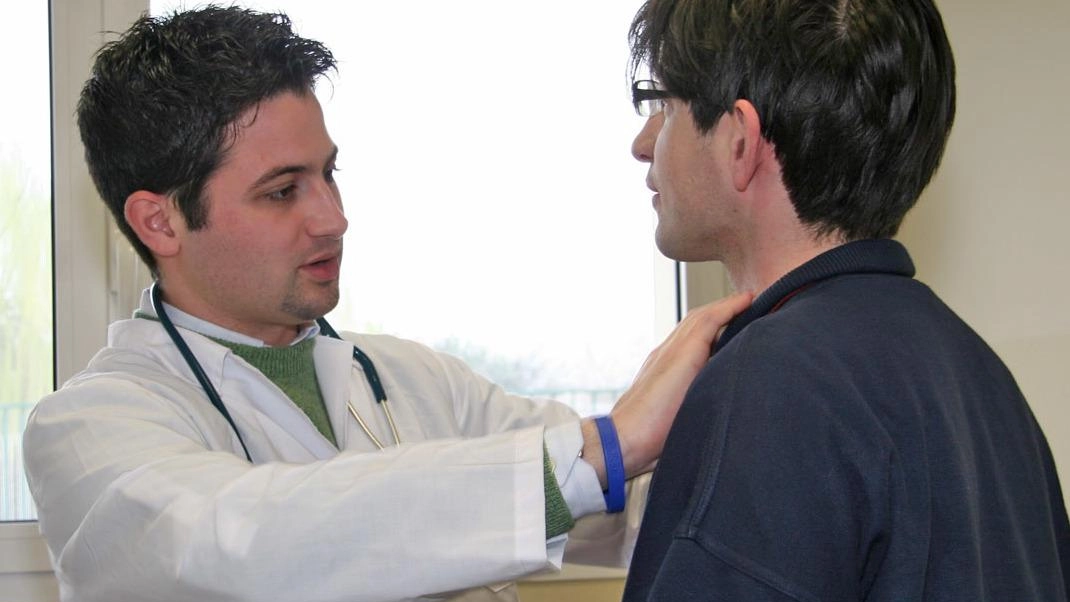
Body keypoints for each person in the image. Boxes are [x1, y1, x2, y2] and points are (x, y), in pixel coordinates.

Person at [21, 6, 752, 602]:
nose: (332, 217)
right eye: (282, 191)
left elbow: (623, 505)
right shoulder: (90, 431)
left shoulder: (415, 383)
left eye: (328, 174)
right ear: (159, 221)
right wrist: (602, 448)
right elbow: (245, 545)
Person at [621, 0, 1070, 599]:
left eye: (664, 106)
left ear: (739, 141)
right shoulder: (982, 379)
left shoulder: (774, 380)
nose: (643, 142)